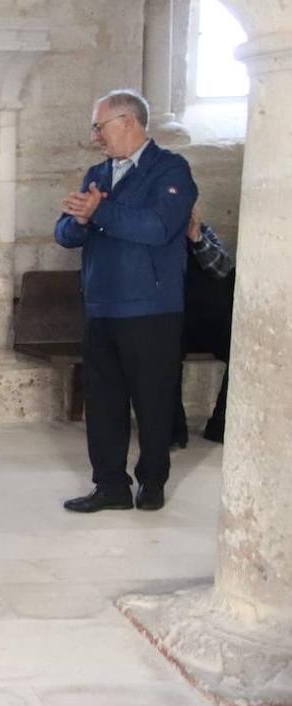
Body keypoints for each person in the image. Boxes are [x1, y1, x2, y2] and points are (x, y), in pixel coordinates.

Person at [55, 89, 197, 514]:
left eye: (99, 127)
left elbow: (158, 227)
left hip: (151, 309)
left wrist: (99, 213)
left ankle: (152, 482)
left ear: (128, 122)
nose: (95, 136)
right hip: (101, 307)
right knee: (103, 404)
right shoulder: (97, 174)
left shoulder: (170, 170)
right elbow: (65, 234)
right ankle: (110, 485)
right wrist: (80, 220)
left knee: (153, 401)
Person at [172, 205, 233, 446]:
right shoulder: (157, 237)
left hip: (208, 320)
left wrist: (196, 237)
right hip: (173, 319)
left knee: (242, 353)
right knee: (165, 352)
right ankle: (174, 429)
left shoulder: (204, 233)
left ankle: (222, 424)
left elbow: (222, 269)